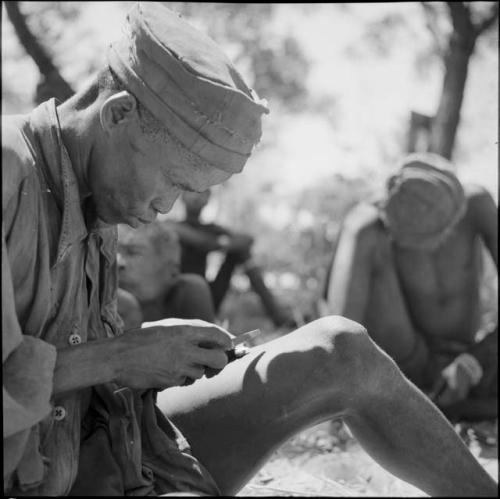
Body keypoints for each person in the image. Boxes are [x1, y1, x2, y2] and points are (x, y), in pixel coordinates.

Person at [2, 3, 496, 496]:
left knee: (339, 348)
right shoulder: (9, 171)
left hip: (118, 450)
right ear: (119, 114)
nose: (166, 207)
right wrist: (116, 357)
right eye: (171, 180)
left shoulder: (99, 187)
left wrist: (150, 351)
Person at [323, 153, 498, 422]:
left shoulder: (478, 204)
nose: (439, 244)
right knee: (364, 229)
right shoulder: (370, 224)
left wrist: (474, 360)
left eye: (445, 232)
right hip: (406, 359)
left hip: (471, 354)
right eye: (422, 241)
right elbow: (339, 326)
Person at [174, 188, 294, 327]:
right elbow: (202, 242)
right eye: (192, 191)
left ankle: (276, 313)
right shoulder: (171, 226)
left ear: (208, 200)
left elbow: (247, 240)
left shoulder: (210, 229)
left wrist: (216, 243)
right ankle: (277, 314)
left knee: (240, 252)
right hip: (178, 297)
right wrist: (218, 243)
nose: (196, 197)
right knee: (234, 250)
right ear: (182, 196)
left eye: (202, 193)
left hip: (207, 298)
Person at [117, 222, 216, 330]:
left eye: (132, 252)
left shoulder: (189, 290)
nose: (118, 262)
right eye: (114, 251)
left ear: (171, 270)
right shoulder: (105, 295)